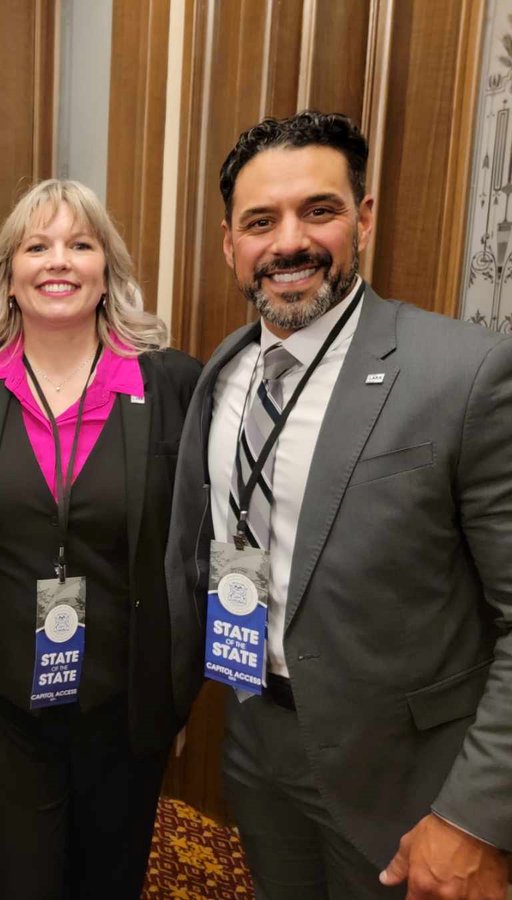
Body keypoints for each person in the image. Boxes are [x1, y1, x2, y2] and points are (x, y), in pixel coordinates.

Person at [167, 110, 512, 899]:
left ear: (363, 219)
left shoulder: (466, 375)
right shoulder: (222, 376)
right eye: (261, 221)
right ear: (230, 244)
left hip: (411, 780)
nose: (288, 242)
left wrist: (477, 814)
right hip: (257, 741)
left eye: (317, 211)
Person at [0, 179, 200, 899]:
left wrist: (179, 686)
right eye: (38, 246)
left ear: (106, 269)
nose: (60, 261)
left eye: (80, 245)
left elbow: (196, 546)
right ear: (10, 275)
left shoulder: (171, 383)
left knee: (110, 882)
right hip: (0, 702)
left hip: (123, 702)